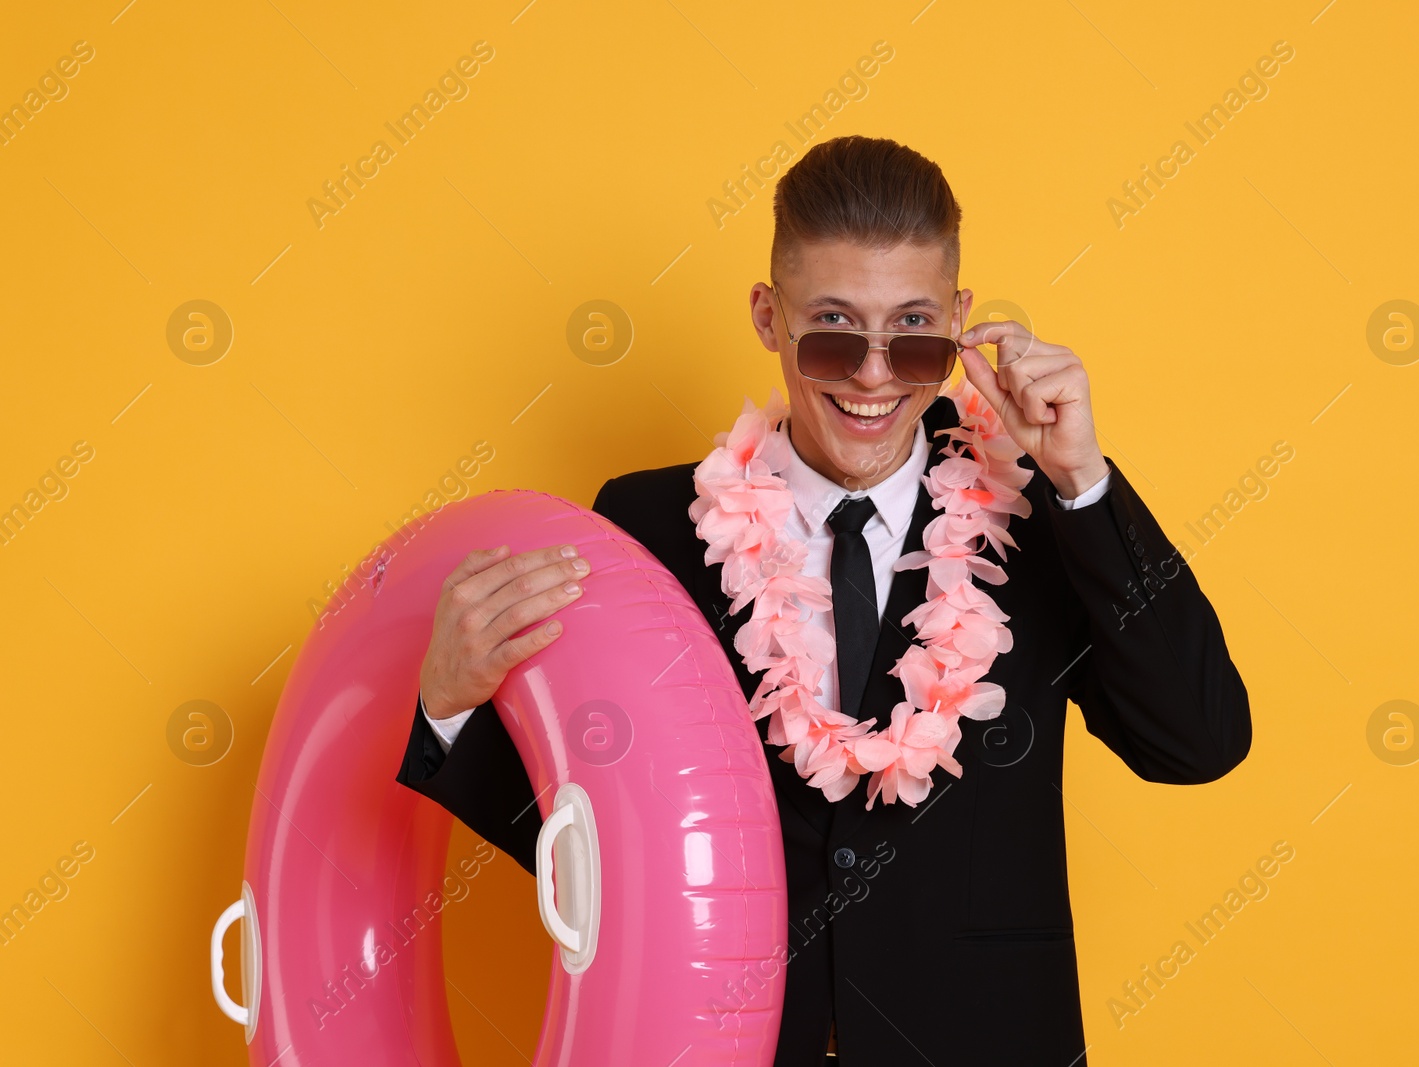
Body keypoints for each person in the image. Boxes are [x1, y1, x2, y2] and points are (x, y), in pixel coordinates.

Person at [396, 134, 1251, 1065]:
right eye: (836, 331)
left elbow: (1197, 740)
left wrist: (1081, 478)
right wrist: (448, 709)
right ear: (771, 317)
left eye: (915, 334)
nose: (875, 376)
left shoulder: (1039, 521)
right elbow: (586, 842)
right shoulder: (647, 527)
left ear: (962, 321)